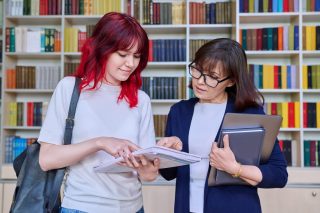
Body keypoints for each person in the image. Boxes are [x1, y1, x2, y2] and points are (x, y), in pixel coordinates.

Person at [38, 12, 159, 213]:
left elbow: (149, 176)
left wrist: (150, 165)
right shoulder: (70, 89)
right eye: (122, 54)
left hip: (133, 207)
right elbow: (46, 159)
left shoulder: (142, 100)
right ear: (102, 49)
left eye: (137, 56)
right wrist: (100, 143)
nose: (131, 63)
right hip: (81, 207)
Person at [157, 38, 288, 213]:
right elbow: (168, 174)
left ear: (231, 81)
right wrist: (168, 153)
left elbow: (279, 175)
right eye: (197, 70)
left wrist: (235, 169)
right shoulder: (180, 111)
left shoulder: (249, 114)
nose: (200, 81)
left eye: (213, 77)